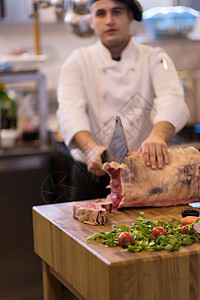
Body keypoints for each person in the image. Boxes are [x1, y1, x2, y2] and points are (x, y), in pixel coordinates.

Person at [56, 0, 189, 201]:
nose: (109, 21)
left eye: (116, 12)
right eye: (101, 14)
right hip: (92, 174)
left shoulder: (154, 57)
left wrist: (158, 136)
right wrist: (90, 150)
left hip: (143, 172)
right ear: (91, 21)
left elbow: (172, 98)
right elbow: (69, 112)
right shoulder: (77, 61)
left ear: (129, 16)